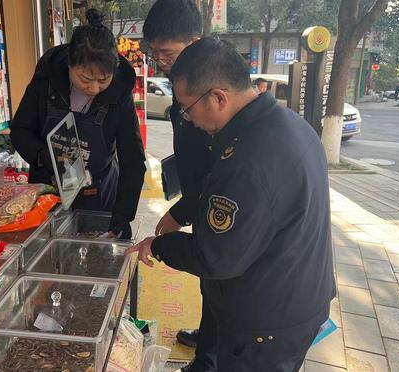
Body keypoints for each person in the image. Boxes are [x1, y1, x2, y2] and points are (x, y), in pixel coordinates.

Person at [126, 37, 335, 372]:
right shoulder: (289, 124)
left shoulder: (246, 161)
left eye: (187, 108)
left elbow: (216, 257)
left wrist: (160, 246)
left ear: (218, 97)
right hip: (299, 296)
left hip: (266, 323)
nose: (188, 120)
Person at [11, 9, 146, 239]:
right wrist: (43, 156)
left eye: (103, 80)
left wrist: (123, 214)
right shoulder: (47, 80)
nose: (94, 89)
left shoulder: (119, 94)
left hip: (98, 193)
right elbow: (20, 131)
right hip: (47, 189)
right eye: (85, 79)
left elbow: (133, 160)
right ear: (69, 66)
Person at [143, 1, 217, 371]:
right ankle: (209, 335)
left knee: (219, 272)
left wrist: (180, 213)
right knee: (210, 280)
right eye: (153, 52)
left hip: (216, 200)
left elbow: (215, 175)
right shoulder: (180, 84)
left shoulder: (214, 90)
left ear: (195, 42)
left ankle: (209, 358)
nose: (160, 61)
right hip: (197, 196)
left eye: (167, 53)